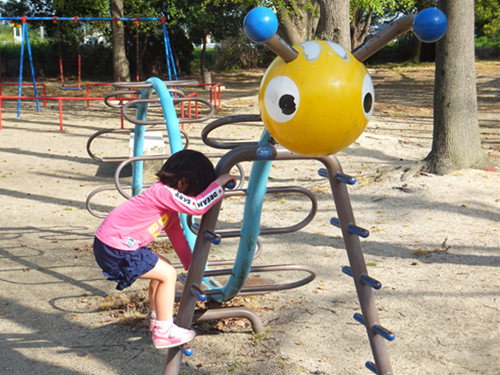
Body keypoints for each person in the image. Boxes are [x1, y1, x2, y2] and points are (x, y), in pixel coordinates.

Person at [93, 150, 235, 349]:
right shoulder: (162, 192)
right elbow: (197, 206)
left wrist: (191, 265)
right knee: (168, 274)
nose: (195, 194)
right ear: (183, 182)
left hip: (115, 245)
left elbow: (177, 235)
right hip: (116, 248)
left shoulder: (167, 205)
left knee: (164, 266)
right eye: (197, 188)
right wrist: (217, 185)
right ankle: (164, 331)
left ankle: (157, 320)